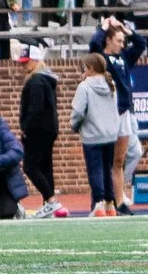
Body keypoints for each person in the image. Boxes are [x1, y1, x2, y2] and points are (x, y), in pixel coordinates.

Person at [71, 51, 125, 215]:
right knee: (107, 169)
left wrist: (74, 125)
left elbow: (78, 112)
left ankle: (98, 203)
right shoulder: (111, 84)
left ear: (91, 68)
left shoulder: (85, 86)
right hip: (110, 133)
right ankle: (110, 203)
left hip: (92, 134)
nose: (83, 71)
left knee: (95, 170)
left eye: (85, 68)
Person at [19, 52, 65, 217]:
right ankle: (49, 204)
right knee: (45, 167)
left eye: (26, 62)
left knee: (30, 167)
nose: (23, 65)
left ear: (36, 61)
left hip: (38, 130)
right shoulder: (47, 79)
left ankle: (51, 200)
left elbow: (35, 108)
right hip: (49, 128)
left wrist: (26, 128)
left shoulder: (36, 81)